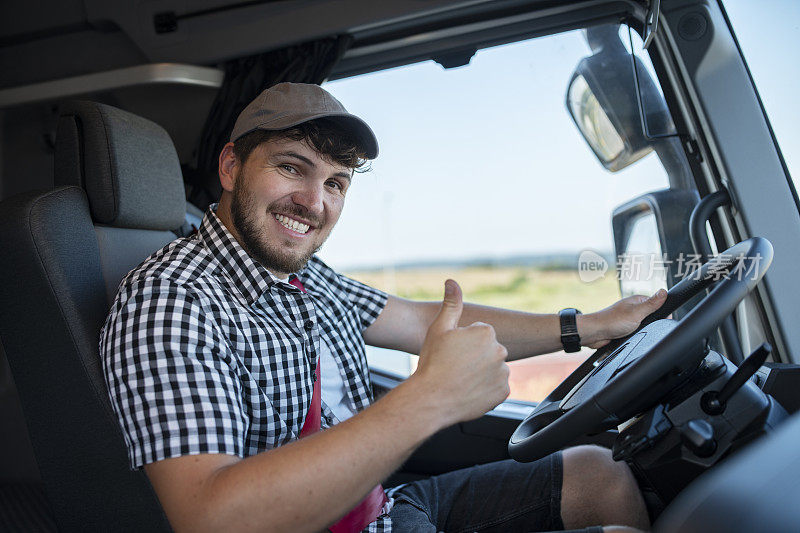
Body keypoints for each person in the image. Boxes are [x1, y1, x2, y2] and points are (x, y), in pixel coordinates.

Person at [100, 82, 667, 532]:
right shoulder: (171, 298)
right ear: (230, 167)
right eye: (292, 167)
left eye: (337, 183)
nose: (314, 202)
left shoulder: (298, 272)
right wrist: (429, 399)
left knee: (601, 471)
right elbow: (211, 518)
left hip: (380, 511)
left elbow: (421, 321)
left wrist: (589, 326)